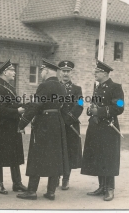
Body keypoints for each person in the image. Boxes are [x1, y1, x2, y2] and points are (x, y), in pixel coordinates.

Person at [16, 59, 69, 201]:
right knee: (55, 156)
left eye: (42, 71)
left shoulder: (44, 86)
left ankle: (32, 191)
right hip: (57, 123)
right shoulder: (62, 86)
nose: (41, 74)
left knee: (37, 155)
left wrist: (22, 123)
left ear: (46, 70)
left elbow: (35, 106)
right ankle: (51, 192)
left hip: (44, 124)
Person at [81, 60, 124, 201]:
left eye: (97, 71)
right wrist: (90, 110)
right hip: (96, 127)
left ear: (105, 73)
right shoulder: (97, 88)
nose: (95, 73)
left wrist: (98, 111)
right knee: (99, 155)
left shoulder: (116, 87)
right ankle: (102, 187)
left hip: (108, 128)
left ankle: (110, 189)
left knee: (108, 157)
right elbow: (93, 104)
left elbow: (119, 107)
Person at [0, 60, 27, 194]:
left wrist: (24, 106)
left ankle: (17, 183)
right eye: (12, 70)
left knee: (15, 154)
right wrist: (17, 111)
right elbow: (0, 109)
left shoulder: (10, 87)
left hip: (13, 126)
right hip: (2, 127)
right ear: (5, 72)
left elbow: (13, 104)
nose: (14, 73)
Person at [58, 60, 83, 190]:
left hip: (70, 125)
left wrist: (68, 120)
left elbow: (79, 105)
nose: (65, 74)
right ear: (59, 72)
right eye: (63, 71)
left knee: (68, 152)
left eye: (68, 71)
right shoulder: (54, 87)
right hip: (56, 125)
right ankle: (55, 176)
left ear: (71, 73)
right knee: (56, 151)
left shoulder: (77, 89)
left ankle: (66, 178)